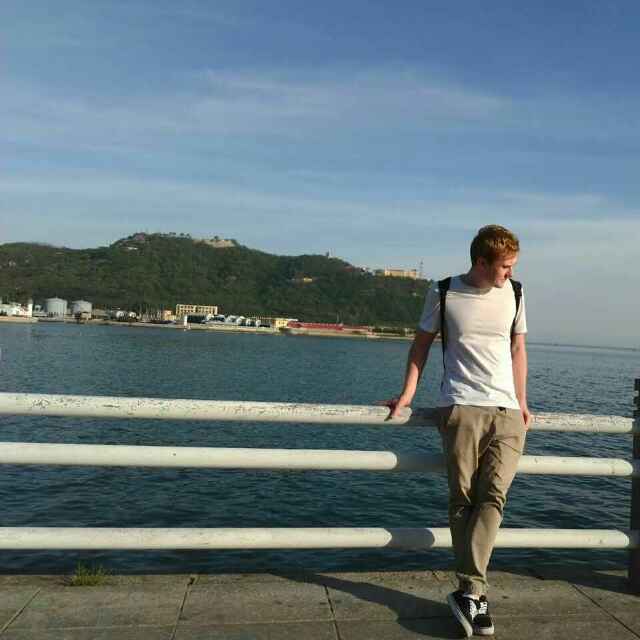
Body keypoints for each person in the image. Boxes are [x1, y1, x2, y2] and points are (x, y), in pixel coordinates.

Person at [386, 225, 530, 637]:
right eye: (504, 266)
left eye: (512, 266)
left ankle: (471, 589)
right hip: (461, 407)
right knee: (463, 499)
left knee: (494, 496)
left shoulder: (516, 292)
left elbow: (518, 348)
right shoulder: (444, 291)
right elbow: (421, 345)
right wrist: (407, 395)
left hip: (507, 413)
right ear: (481, 262)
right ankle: (472, 593)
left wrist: (522, 401)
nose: (510, 272)